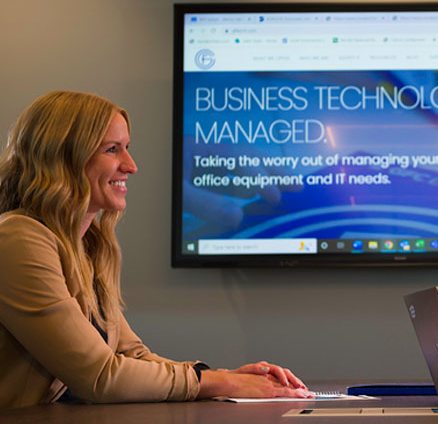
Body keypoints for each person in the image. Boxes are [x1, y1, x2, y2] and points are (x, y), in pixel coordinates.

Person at [0, 91, 314, 408]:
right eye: (112, 150)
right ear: (63, 157)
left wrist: (221, 378)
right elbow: (100, 376)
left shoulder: (89, 245)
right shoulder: (19, 238)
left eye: (127, 148)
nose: (131, 166)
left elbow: (132, 356)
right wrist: (223, 382)